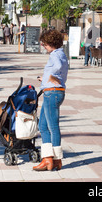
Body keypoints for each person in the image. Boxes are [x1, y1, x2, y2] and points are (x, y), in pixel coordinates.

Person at [33, 29, 68, 172]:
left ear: (51, 43)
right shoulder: (61, 54)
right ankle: (48, 158)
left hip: (52, 93)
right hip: (54, 91)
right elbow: (59, 70)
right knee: (43, 126)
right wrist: (46, 78)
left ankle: (55, 159)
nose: (43, 46)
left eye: (45, 44)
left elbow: (57, 68)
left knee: (52, 127)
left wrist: (50, 78)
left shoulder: (55, 54)